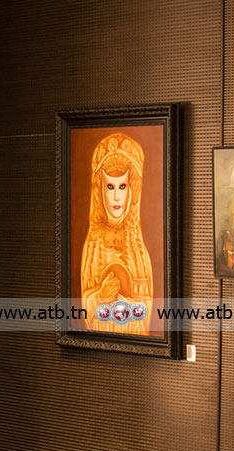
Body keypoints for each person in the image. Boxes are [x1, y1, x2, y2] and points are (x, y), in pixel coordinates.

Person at [80, 133, 153, 334]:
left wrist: (123, 302)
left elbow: (147, 307)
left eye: (122, 187)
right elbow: (84, 306)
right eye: (110, 187)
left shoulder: (137, 247)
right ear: (100, 190)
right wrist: (100, 297)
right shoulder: (93, 245)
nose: (116, 197)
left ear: (131, 190)